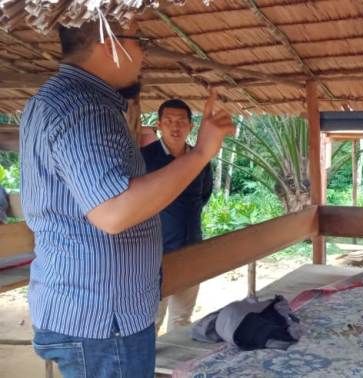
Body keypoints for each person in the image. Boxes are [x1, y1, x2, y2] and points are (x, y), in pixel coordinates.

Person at [20, 20, 233, 378]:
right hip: (103, 320)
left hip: (88, 309)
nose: (144, 52)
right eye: (141, 41)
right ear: (110, 44)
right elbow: (113, 212)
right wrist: (200, 155)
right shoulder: (83, 107)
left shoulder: (56, 100)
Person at [141, 99, 213, 334]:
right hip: (153, 253)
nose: (175, 127)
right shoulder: (143, 158)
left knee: (182, 318)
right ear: (159, 125)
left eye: (181, 122)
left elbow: (203, 196)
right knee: (151, 318)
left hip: (191, 248)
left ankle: (173, 370)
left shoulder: (201, 159)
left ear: (191, 127)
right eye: (169, 121)